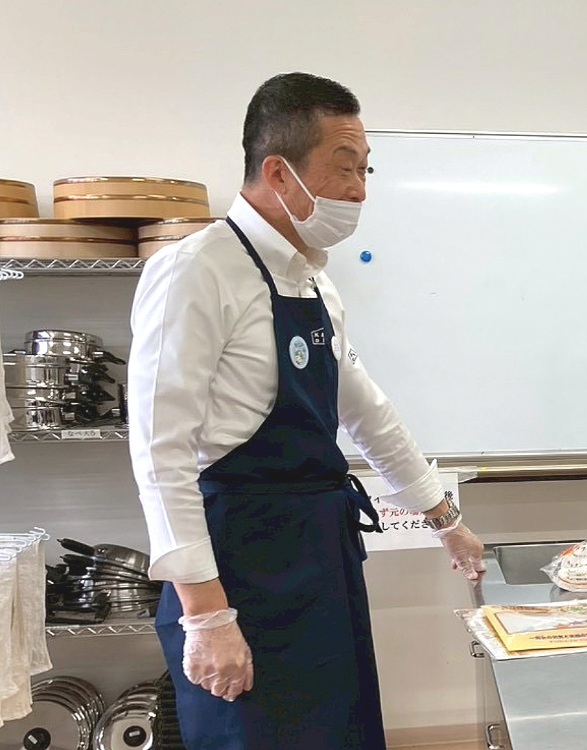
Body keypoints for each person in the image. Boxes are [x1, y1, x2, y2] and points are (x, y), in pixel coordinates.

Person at [128, 72, 486, 750]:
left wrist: (446, 519)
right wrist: (206, 617)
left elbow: (367, 412)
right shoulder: (195, 271)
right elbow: (159, 452)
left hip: (320, 559)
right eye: (343, 168)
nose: (359, 191)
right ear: (278, 172)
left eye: (365, 170)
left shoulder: (314, 280)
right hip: (240, 566)